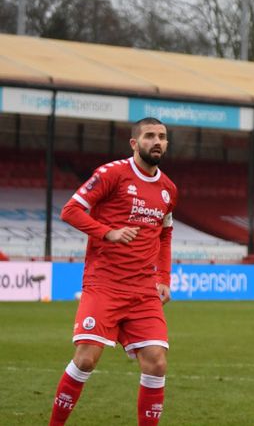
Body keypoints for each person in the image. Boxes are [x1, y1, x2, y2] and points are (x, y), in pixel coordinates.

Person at [49, 117, 177, 426]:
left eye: (162, 137)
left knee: (157, 362)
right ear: (134, 143)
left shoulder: (168, 189)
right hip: (104, 284)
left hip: (143, 291)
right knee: (86, 359)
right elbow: (70, 210)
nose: (157, 142)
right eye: (149, 136)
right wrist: (108, 232)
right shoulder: (112, 174)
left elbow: (165, 234)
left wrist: (163, 278)